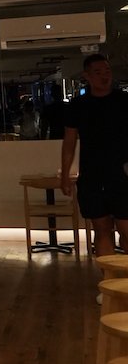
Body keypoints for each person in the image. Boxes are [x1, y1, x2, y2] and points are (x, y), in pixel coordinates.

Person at [60, 54, 128, 256]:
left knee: (126, 228)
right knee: (101, 228)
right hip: (92, 175)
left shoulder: (124, 100)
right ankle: (109, 273)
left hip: (123, 172)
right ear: (87, 76)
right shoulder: (78, 105)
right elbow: (69, 142)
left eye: (107, 71)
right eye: (98, 72)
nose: (104, 76)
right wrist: (65, 175)